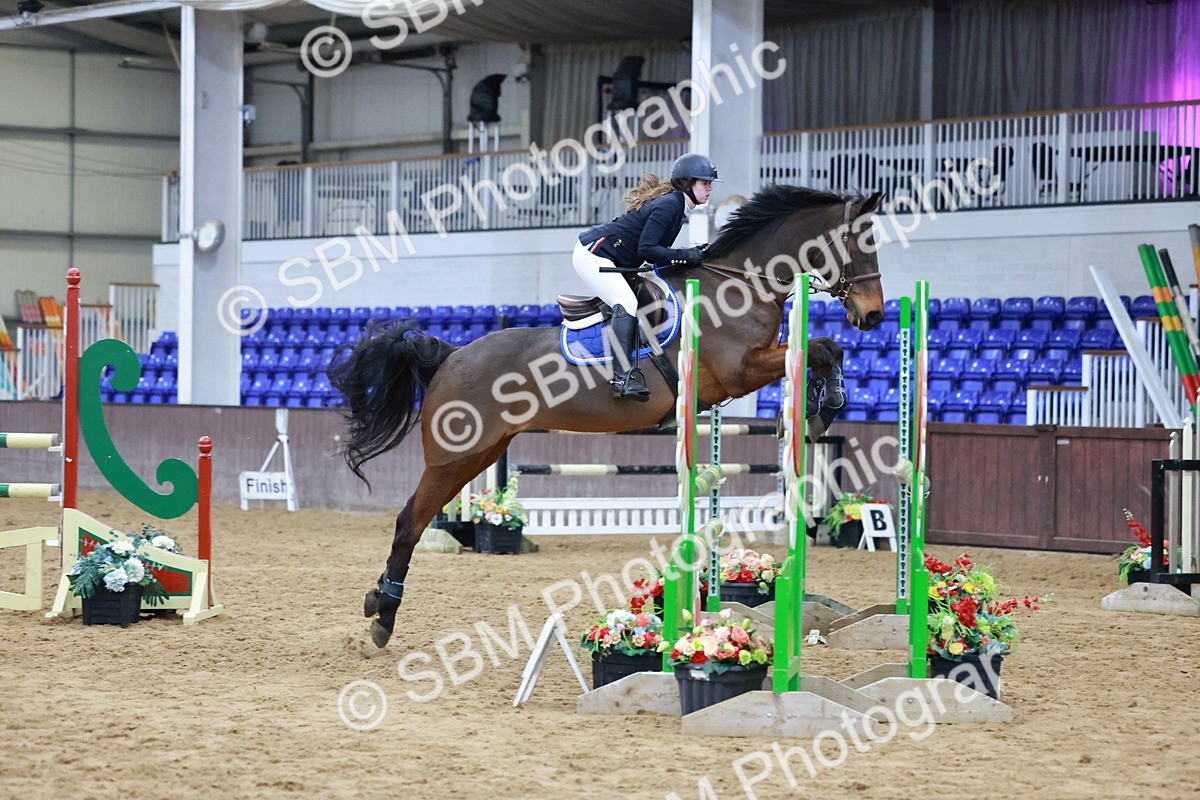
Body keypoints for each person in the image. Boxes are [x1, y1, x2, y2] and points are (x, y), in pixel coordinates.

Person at [574, 152, 718, 400]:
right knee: (627, 303)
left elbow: (655, 255)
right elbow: (648, 251)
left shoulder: (677, 207)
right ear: (687, 183)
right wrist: (687, 255)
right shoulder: (670, 206)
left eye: (710, 184)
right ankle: (621, 379)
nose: (710, 189)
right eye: (705, 183)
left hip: (616, 259)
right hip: (593, 255)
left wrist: (692, 254)